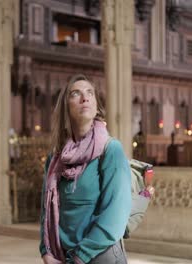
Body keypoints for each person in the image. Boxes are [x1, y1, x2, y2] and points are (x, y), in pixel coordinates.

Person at [39, 74, 132, 264]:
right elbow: (44, 211)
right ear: (66, 107)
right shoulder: (55, 158)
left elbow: (115, 215)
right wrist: (46, 251)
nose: (85, 98)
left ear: (96, 105)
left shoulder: (110, 150)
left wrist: (80, 256)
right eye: (76, 93)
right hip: (63, 255)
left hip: (100, 255)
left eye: (90, 93)